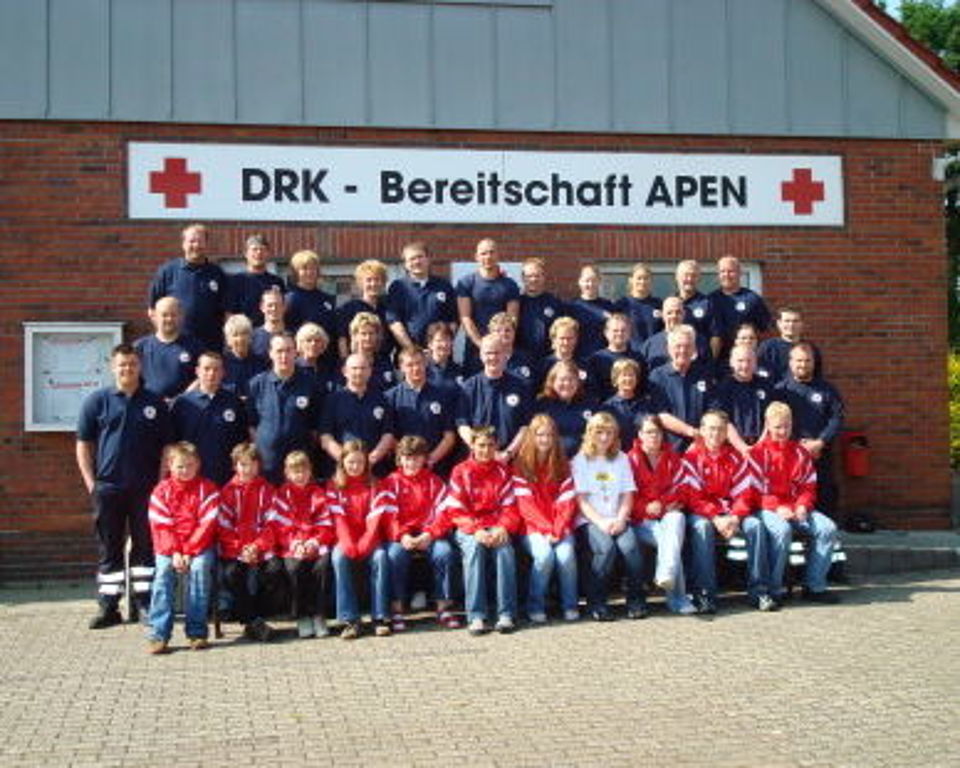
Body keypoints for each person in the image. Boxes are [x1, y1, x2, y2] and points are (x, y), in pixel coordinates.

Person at [76, 343, 172, 629]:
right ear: (112, 367)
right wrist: (92, 484)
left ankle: (144, 604)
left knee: (145, 546)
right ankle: (109, 606)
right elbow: (83, 445)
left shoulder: (154, 403)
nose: (127, 369)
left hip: (146, 488)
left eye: (132, 364)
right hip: (108, 488)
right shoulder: (97, 401)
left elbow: (167, 447)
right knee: (110, 547)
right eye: (122, 364)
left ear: (139, 366)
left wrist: (160, 484)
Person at [682, 411, 774, 614]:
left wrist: (735, 517)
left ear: (726, 433)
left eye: (720, 429)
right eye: (711, 429)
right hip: (704, 515)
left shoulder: (736, 458)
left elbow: (744, 494)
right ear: (702, 431)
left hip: (733, 514)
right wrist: (716, 517)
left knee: (755, 526)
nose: (715, 434)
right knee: (701, 527)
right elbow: (693, 498)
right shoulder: (691, 458)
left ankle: (759, 592)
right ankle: (704, 594)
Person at [750, 402, 839, 604]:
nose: (783, 431)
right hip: (765, 509)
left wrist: (802, 505)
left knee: (827, 528)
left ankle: (814, 586)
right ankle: (774, 589)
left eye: (787, 426)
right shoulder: (757, 454)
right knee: (782, 530)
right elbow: (753, 492)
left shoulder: (800, 453)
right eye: (778, 427)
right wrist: (777, 508)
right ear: (767, 425)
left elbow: (809, 486)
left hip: (797, 508)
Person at [442, 426, 520, 634]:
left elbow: (511, 507)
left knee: (505, 550)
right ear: (472, 446)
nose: (486, 450)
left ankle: (506, 614)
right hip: (469, 526)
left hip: (496, 525)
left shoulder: (504, 471)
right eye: (481, 445)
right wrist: (476, 530)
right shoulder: (460, 471)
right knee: (475, 549)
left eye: (490, 445)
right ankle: (476, 616)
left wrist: (503, 527)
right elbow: (455, 509)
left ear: (497, 446)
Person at [145, 441, 219, 654]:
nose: (185, 470)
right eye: (180, 466)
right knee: (163, 573)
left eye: (189, 465)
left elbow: (207, 525)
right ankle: (158, 635)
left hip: (200, 547)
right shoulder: (160, 491)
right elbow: (161, 526)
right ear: (169, 465)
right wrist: (176, 552)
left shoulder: (209, 489)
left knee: (199, 570)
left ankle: (197, 633)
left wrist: (189, 551)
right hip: (168, 548)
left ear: (198, 465)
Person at [381, 436, 459, 631]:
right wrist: (402, 536)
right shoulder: (390, 482)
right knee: (394, 554)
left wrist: (429, 534)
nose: (411, 463)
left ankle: (443, 607)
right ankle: (397, 609)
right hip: (402, 536)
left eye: (416, 458)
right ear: (399, 459)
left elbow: (444, 515)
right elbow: (389, 516)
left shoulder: (435, 482)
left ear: (424, 459)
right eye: (407, 458)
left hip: (429, 535)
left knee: (444, 552)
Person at [572, 411, 643, 621]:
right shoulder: (580, 460)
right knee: (606, 548)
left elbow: (628, 494)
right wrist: (601, 522)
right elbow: (581, 501)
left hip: (618, 517)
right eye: (599, 432)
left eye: (609, 432)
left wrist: (620, 519)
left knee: (631, 548)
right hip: (590, 520)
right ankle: (597, 603)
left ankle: (636, 602)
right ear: (590, 433)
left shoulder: (621, 458)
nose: (604, 437)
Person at [511, 414, 579, 623]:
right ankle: (535, 606)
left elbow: (567, 502)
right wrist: (546, 529)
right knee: (544, 555)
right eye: (540, 435)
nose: (545, 439)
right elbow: (526, 507)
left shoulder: (563, 464)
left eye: (549, 435)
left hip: (560, 527)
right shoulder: (520, 465)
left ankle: (570, 605)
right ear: (532, 436)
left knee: (566, 556)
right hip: (531, 528)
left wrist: (557, 530)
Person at [627, 414, 695, 615]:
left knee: (677, 519)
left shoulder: (672, 457)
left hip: (667, 516)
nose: (654, 436)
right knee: (671, 541)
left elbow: (683, 490)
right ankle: (679, 600)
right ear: (640, 435)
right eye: (649, 432)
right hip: (640, 521)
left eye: (657, 432)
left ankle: (665, 573)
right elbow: (626, 496)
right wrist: (646, 507)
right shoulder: (630, 460)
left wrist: (662, 505)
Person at [328, 441, 392, 639]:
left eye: (360, 462)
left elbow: (374, 521)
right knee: (339, 558)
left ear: (366, 463)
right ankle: (350, 620)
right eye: (350, 462)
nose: (355, 466)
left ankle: (379, 618)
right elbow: (338, 520)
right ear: (342, 462)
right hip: (345, 540)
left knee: (380, 557)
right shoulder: (333, 485)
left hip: (370, 540)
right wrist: (348, 545)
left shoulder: (376, 485)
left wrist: (364, 544)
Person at [774, 343, 844, 519]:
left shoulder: (827, 390)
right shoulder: (780, 390)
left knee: (824, 493)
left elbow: (836, 419)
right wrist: (797, 446)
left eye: (807, 361)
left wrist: (820, 442)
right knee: (793, 495)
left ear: (814, 362)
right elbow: (774, 421)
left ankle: (825, 531)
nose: (803, 365)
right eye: (799, 360)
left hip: (820, 454)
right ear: (790, 362)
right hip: (789, 455)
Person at [217, 443, 279, 642]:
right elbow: (223, 527)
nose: (248, 469)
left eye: (252, 464)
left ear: (259, 465)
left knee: (274, 570)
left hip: (261, 547)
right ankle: (252, 621)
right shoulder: (227, 492)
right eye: (243, 464)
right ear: (235, 466)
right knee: (232, 573)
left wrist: (257, 547)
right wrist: (241, 548)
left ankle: (257, 617)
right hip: (235, 549)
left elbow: (272, 524)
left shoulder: (268, 490)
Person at [271, 450, 335, 638]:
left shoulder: (318, 494)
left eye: (303, 471)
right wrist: (296, 544)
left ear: (310, 471)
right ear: (287, 473)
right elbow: (279, 526)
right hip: (292, 545)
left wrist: (314, 542)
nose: (300, 475)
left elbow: (326, 524)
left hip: (316, 542)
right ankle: (302, 615)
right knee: (295, 568)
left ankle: (319, 615)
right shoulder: (281, 495)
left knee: (322, 567)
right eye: (295, 472)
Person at [246, 334, 325, 484]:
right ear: (270, 353)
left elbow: (316, 425)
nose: (284, 356)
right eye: (279, 351)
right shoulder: (256, 384)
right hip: (267, 463)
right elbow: (251, 424)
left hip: (299, 464)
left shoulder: (311, 384)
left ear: (296, 352)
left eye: (288, 350)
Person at [170, 351, 249, 486]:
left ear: (223, 373)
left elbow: (242, 441)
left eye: (216, 369)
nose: (211, 374)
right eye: (206, 369)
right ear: (197, 371)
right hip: (191, 477)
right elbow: (173, 442)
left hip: (226, 478)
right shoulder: (182, 403)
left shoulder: (234, 402)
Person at [148, 223, 228, 352]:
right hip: (176, 346)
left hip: (209, 346)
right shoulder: (168, 271)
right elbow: (152, 310)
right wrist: (164, 338)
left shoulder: (217, 273)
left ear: (206, 244)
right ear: (183, 244)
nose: (196, 245)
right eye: (192, 241)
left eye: (200, 241)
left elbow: (227, 311)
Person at [455, 334, 531, 462]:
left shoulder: (520, 386)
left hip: (510, 459)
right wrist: (481, 450)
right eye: (488, 353)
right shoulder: (468, 387)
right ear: (481, 356)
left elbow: (525, 426)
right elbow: (462, 424)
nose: (493, 357)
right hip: (477, 460)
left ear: (505, 354)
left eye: (497, 352)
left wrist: (508, 453)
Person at [319, 353, 396, 477]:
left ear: (370, 371)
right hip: (341, 472)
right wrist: (347, 461)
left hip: (374, 470)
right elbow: (325, 437)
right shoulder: (332, 400)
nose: (359, 372)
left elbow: (388, 434)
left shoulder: (382, 399)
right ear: (345, 371)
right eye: (354, 368)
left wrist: (371, 459)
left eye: (363, 368)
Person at [385, 347, 457, 471]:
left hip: (436, 467)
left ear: (425, 364)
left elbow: (449, 436)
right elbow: (389, 436)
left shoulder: (442, 395)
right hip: (403, 468)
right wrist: (409, 460)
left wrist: (430, 460)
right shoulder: (390, 397)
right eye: (410, 365)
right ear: (401, 367)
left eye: (419, 363)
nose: (415, 368)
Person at [456, 238, 520, 373]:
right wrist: (482, 344)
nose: (488, 257)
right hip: (474, 350)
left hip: (501, 351)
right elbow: (465, 318)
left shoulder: (510, 285)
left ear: (498, 255)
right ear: (476, 257)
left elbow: (512, 319)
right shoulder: (466, 283)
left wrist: (499, 346)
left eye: (492, 252)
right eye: (483, 253)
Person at [649, 325, 715, 449]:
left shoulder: (705, 375)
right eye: (678, 346)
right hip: (668, 448)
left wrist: (701, 438)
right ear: (669, 349)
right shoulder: (657, 376)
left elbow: (713, 411)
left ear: (694, 349)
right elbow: (661, 414)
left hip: (701, 446)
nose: (683, 351)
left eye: (687, 346)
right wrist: (691, 432)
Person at [385, 241, 457, 351]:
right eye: (412, 259)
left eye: (420, 257)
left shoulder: (444, 285)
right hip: (409, 354)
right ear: (405, 264)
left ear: (428, 259)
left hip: (439, 354)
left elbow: (453, 321)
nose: (417, 262)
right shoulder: (397, 287)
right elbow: (394, 322)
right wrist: (412, 349)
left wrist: (440, 346)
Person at [709, 343, 775, 455]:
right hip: (731, 449)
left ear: (755, 363)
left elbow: (771, 418)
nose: (745, 365)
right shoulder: (722, 389)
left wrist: (760, 445)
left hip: (762, 448)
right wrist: (742, 447)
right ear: (731, 362)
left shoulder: (766, 386)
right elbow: (723, 421)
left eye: (749, 361)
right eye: (740, 361)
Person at [134, 296, 200, 400]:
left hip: (186, 405)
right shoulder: (139, 347)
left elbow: (202, 377)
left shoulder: (195, 346)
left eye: (173, 315)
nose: (169, 319)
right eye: (164, 315)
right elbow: (131, 378)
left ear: (181, 316)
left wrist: (180, 400)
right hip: (149, 406)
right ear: (154, 317)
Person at [283, 249, 338, 367]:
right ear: (296, 272)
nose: (309, 272)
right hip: (301, 361)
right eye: (304, 268)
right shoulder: (289, 299)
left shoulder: (327, 299)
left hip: (328, 360)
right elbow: (286, 331)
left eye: (313, 268)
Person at [709, 255, 771, 359]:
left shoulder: (752, 299)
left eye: (731, 271)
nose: (726, 275)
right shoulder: (710, 300)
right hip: (717, 360)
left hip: (746, 359)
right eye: (722, 271)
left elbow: (765, 331)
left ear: (740, 273)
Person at [534, 360, 598, 458]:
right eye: (562, 379)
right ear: (552, 381)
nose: (567, 383)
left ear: (578, 382)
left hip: (585, 460)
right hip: (552, 460)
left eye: (572, 379)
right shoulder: (541, 405)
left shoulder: (590, 404)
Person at [337, 259, 392, 361]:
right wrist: (345, 362)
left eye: (377, 279)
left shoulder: (388, 308)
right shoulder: (349, 308)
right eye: (369, 280)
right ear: (361, 283)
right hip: (358, 362)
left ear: (383, 282)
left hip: (383, 362)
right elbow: (342, 338)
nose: (373, 284)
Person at [226, 234, 285, 326]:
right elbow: (229, 314)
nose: (259, 253)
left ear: (268, 254)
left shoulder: (277, 282)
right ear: (246, 254)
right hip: (245, 332)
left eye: (263, 249)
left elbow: (282, 312)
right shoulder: (235, 281)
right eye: (254, 249)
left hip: (271, 332)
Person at [586, 312, 645, 402]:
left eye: (623, 330)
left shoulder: (638, 358)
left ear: (630, 333)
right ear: (606, 333)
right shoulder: (596, 360)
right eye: (615, 331)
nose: (619, 334)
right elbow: (593, 391)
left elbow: (642, 388)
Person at [640, 295, 710, 371]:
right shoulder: (650, 345)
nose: (674, 316)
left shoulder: (699, 342)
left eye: (678, 312)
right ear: (662, 315)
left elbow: (709, 370)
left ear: (684, 314)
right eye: (669, 313)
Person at [601, 358, 657, 451]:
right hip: (617, 455)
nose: (628, 379)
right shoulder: (607, 408)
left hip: (643, 455)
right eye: (624, 375)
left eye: (631, 375)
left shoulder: (647, 404)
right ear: (616, 379)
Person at [757, 307, 823, 384]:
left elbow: (817, 377)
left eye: (795, 321)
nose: (791, 325)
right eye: (787, 321)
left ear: (801, 324)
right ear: (779, 324)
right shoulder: (767, 348)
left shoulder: (810, 349)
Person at [516, 256, 566, 358]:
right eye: (529, 276)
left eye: (537, 275)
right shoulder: (516, 304)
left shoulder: (555, 303)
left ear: (543, 277)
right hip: (521, 359)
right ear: (522, 278)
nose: (533, 279)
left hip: (549, 359)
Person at [674, 259, 721, 359]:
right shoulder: (671, 303)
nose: (689, 279)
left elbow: (715, 337)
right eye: (686, 275)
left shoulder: (707, 303)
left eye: (693, 276)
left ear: (699, 278)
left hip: (700, 361)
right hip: (676, 359)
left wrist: (711, 362)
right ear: (677, 277)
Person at [566, 264, 615, 360]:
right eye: (587, 281)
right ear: (580, 282)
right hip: (579, 358)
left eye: (594, 280)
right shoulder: (571, 307)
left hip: (604, 358)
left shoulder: (609, 306)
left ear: (599, 282)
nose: (590, 284)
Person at [346, 311, 397, 392]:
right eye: (363, 334)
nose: (368, 338)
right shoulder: (347, 363)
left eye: (371, 333)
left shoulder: (385, 362)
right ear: (355, 336)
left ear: (377, 335)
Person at [616, 262, 663, 349]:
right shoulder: (621, 305)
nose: (642, 282)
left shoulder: (659, 304)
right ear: (631, 280)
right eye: (639, 278)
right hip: (630, 354)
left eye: (646, 278)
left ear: (651, 280)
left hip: (654, 352)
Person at [222, 314, 268, 400]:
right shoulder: (221, 364)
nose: (240, 339)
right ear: (228, 340)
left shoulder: (261, 363)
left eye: (244, 333)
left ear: (251, 337)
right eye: (235, 335)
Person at [488, 311, 538, 389]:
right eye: (498, 331)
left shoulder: (527, 359)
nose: (503, 334)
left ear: (514, 332)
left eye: (507, 330)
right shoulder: (486, 360)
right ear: (491, 334)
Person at [295, 323, 337, 395]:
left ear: (323, 344)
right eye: (308, 340)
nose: (313, 344)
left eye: (317, 341)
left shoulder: (329, 367)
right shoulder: (293, 367)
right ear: (300, 344)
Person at [251, 287, 287, 359]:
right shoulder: (252, 337)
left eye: (277, 305)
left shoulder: (293, 336)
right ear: (262, 307)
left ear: (284, 307)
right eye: (270, 305)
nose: (274, 309)